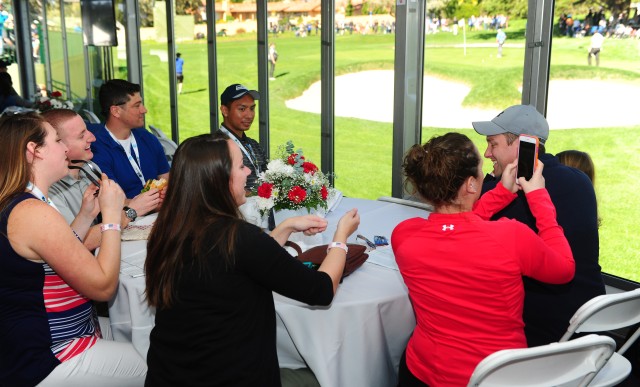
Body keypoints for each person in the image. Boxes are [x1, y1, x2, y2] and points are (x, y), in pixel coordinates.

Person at [144, 132, 360, 386]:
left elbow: (243, 261)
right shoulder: (237, 237)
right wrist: (341, 239)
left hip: (171, 374)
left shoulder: (169, 230)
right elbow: (321, 290)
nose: (248, 172)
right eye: (241, 166)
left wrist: (287, 226)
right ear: (219, 179)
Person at [392, 132, 574, 386]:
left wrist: (501, 193)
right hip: (495, 376)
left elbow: (456, 225)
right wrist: (538, 197)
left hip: (421, 372)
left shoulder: (404, 236)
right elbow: (564, 269)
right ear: (471, 184)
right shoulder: (510, 237)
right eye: (480, 168)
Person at [0, 112, 147, 385]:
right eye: (57, 140)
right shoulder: (32, 211)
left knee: (125, 328)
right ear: (34, 151)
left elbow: (55, 255)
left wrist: (85, 216)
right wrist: (112, 218)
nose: (66, 148)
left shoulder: (23, 201)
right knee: (147, 364)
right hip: (44, 353)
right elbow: (103, 287)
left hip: (37, 336)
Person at [473, 104, 605, 348]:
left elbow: (465, 239)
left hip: (540, 334)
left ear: (525, 145)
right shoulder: (580, 180)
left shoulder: (500, 193)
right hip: (591, 323)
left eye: (493, 144)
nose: (487, 153)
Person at [44, 109, 162, 250]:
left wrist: (149, 201)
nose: (93, 138)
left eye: (87, 130)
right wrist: (132, 211)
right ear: (59, 145)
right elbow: (77, 243)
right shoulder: (48, 189)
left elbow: (112, 206)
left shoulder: (90, 167)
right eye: (82, 136)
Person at [91, 79, 170, 200]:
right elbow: (113, 202)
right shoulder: (97, 149)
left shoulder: (147, 138)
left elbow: (166, 179)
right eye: (137, 106)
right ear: (116, 111)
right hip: (125, 217)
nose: (144, 110)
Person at [218, 83, 267, 191]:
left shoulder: (254, 145)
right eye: (242, 109)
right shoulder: (216, 145)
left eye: (252, 108)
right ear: (225, 110)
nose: (249, 115)